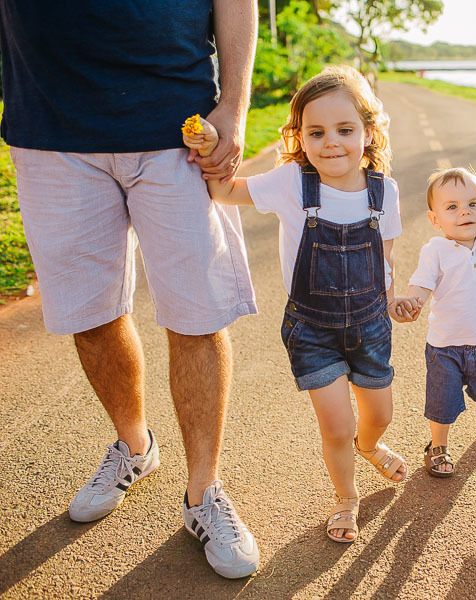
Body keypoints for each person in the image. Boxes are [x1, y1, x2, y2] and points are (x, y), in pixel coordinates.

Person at [0, 0, 261, 577]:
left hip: (177, 125)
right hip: (50, 131)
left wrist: (234, 108)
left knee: (197, 313)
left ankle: (203, 494)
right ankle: (135, 447)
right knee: (90, 314)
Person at [183, 65, 413, 543]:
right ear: (300, 137)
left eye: (345, 130)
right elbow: (225, 191)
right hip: (313, 330)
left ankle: (370, 446)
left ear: (368, 133)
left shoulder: (384, 192)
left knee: (378, 416)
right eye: (317, 132)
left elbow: (385, 258)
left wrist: (393, 304)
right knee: (336, 424)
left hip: (371, 326)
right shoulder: (291, 183)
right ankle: (346, 499)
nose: (332, 142)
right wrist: (209, 152)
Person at [392, 158, 476, 477]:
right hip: (444, 346)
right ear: (434, 219)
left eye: (473, 204)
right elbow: (421, 283)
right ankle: (438, 448)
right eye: (452, 207)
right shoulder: (435, 250)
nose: (465, 211)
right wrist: (412, 302)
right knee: (442, 404)